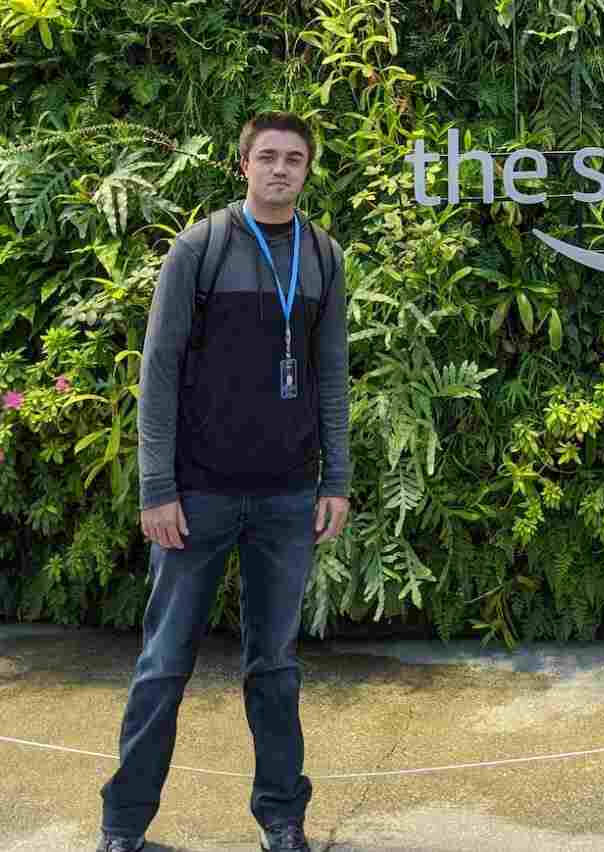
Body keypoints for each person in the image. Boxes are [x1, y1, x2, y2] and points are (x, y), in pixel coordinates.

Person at [96, 112, 352, 852]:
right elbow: (159, 369)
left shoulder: (324, 257)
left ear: (308, 170)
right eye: (267, 157)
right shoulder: (200, 248)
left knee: (274, 667)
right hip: (197, 497)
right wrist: (155, 489)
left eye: (295, 159)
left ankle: (282, 820)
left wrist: (334, 477)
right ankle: (123, 828)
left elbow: (332, 377)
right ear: (243, 164)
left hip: (286, 500)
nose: (281, 170)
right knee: (163, 666)